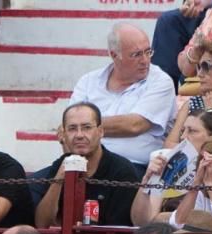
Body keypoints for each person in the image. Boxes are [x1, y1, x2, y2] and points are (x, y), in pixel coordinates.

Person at [70, 23, 177, 174]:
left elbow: (134, 125)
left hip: (135, 167)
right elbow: (69, 126)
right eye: (136, 54)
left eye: (148, 52)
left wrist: (85, 127)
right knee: (33, 185)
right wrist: (80, 127)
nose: (145, 60)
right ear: (114, 55)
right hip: (85, 163)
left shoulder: (160, 81)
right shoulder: (88, 81)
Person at [32, 102, 139, 228]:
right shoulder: (61, 165)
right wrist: (59, 179)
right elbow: (42, 224)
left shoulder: (122, 170)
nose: (79, 135)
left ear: (100, 132)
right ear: (64, 134)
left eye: (87, 127)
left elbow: (118, 231)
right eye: (72, 128)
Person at [131, 109, 212, 226]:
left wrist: (164, 217)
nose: (183, 137)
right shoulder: (171, 164)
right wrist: (146, 182)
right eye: (182, 131)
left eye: (192, 131)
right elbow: (142, 222)